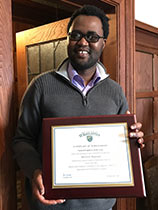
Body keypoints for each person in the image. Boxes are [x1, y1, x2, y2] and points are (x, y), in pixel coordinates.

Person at [12, 5, 144, 210]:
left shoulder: (115, 91)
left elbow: (124, 146)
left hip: (101, 206)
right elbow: (22, 140)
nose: (83, 42)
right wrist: (35, 170)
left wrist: (134, 140)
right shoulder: (41, 86)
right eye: (76, 35)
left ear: (103, 43)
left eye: (92, 37)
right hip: (51, 205)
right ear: (67, 39)